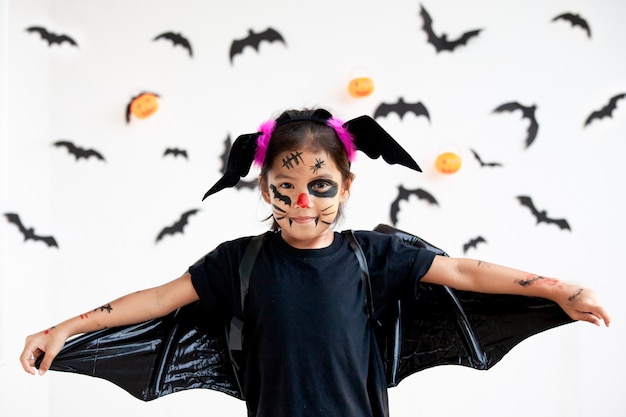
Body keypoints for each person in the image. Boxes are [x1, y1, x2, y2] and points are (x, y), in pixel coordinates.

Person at [21, 108, 610, 417]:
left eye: (320, 185)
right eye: (286, 184)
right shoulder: (237, 264)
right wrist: (63, 328)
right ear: (265, 189)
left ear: (346, 186)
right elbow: (154, 302)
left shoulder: (372, 256)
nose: (304, 201)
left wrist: (559, 289)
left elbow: (465, 272)